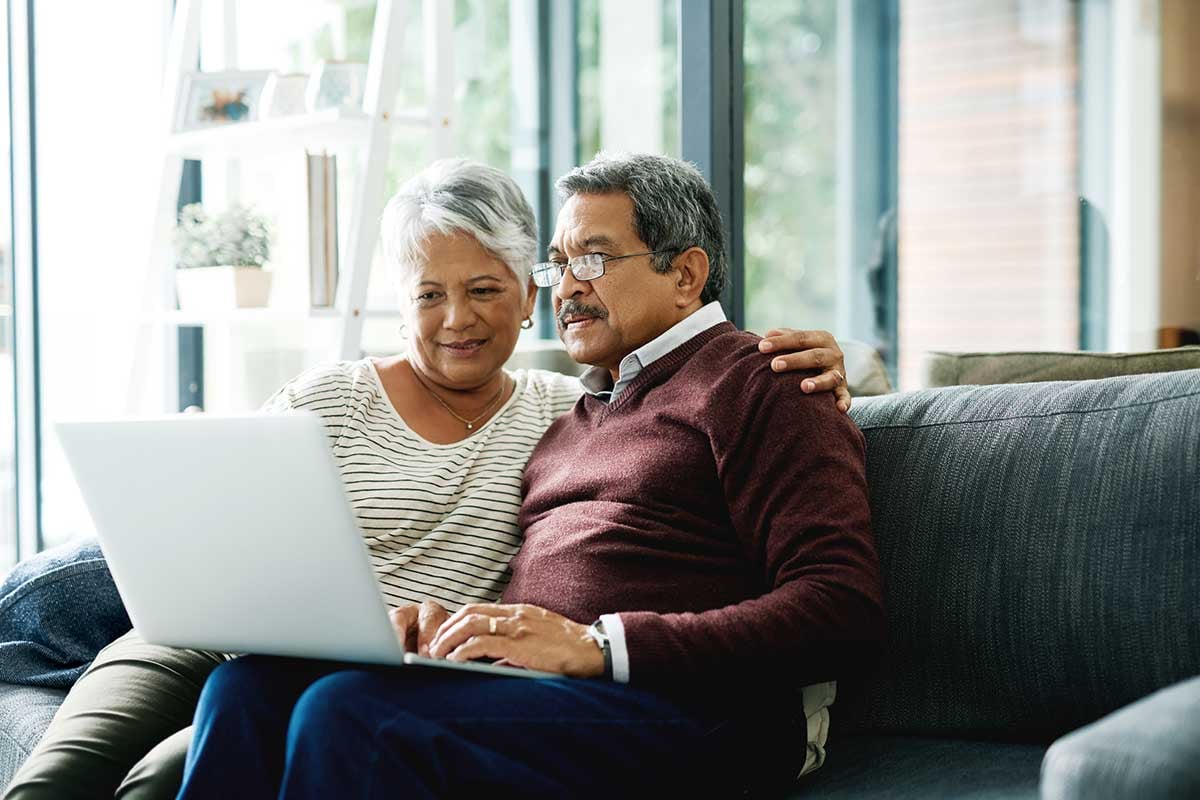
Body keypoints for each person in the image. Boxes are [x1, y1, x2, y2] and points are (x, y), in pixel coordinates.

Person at [2, 158, 850, 800]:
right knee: (248, 687)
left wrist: (596, 646)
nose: (565, 290)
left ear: (687, 275)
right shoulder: (585, 410)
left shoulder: (765, 381)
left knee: (345, 714)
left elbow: (842, 608)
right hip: (522, 682)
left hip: (695, 708)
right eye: (562, 264)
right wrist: (451, 630)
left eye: (589, 260)